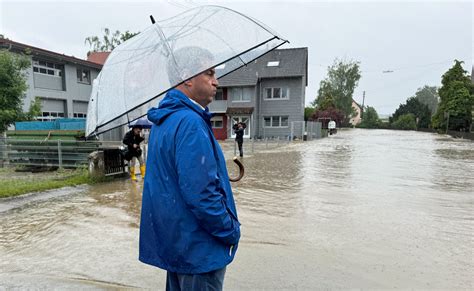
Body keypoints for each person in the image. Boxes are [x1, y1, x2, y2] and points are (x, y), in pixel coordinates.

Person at [139, 47, 240, 291]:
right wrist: (231, 230)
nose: (216, 82)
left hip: (178, 245)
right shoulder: (190, 123)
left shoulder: (164, 121)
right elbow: (202, 195)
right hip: (199, 251)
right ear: (187, 77)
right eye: (209, 73)